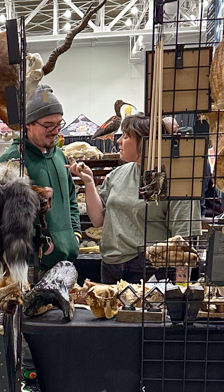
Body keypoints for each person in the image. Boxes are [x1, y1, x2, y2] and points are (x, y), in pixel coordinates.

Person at [0, 85, 81, 392]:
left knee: (58, 327)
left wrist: (74, 232)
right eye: (48, 125)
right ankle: (30, 381)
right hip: (33, 263)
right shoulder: (12, 161)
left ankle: (53, 379)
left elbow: (70, 197)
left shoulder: (58, 154)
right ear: (29, 124)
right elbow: (2, 220)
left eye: (59, 124)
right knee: (32, 328)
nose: (55, 131)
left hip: (64, 258)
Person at [69, 113, 202, 284]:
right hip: (110, 264)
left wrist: (181, 286)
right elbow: (97, 220)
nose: (118, 141)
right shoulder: (117, 174)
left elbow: (184, 241)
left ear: (145, 141)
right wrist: (88, 182)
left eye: (125, 136)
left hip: (150, 268)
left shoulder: (176, 180)